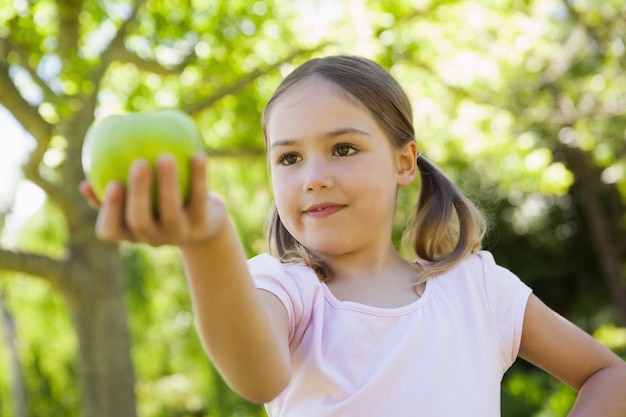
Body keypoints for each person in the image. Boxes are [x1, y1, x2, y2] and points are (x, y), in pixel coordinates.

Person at [80, 55, 626, 416]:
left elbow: (607, 374)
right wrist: (207, 240)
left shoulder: (478, 288)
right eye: (289, 157)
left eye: (343, 148)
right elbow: (258, 376)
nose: (313, 175)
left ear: (404, 161)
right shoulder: (284, 287)